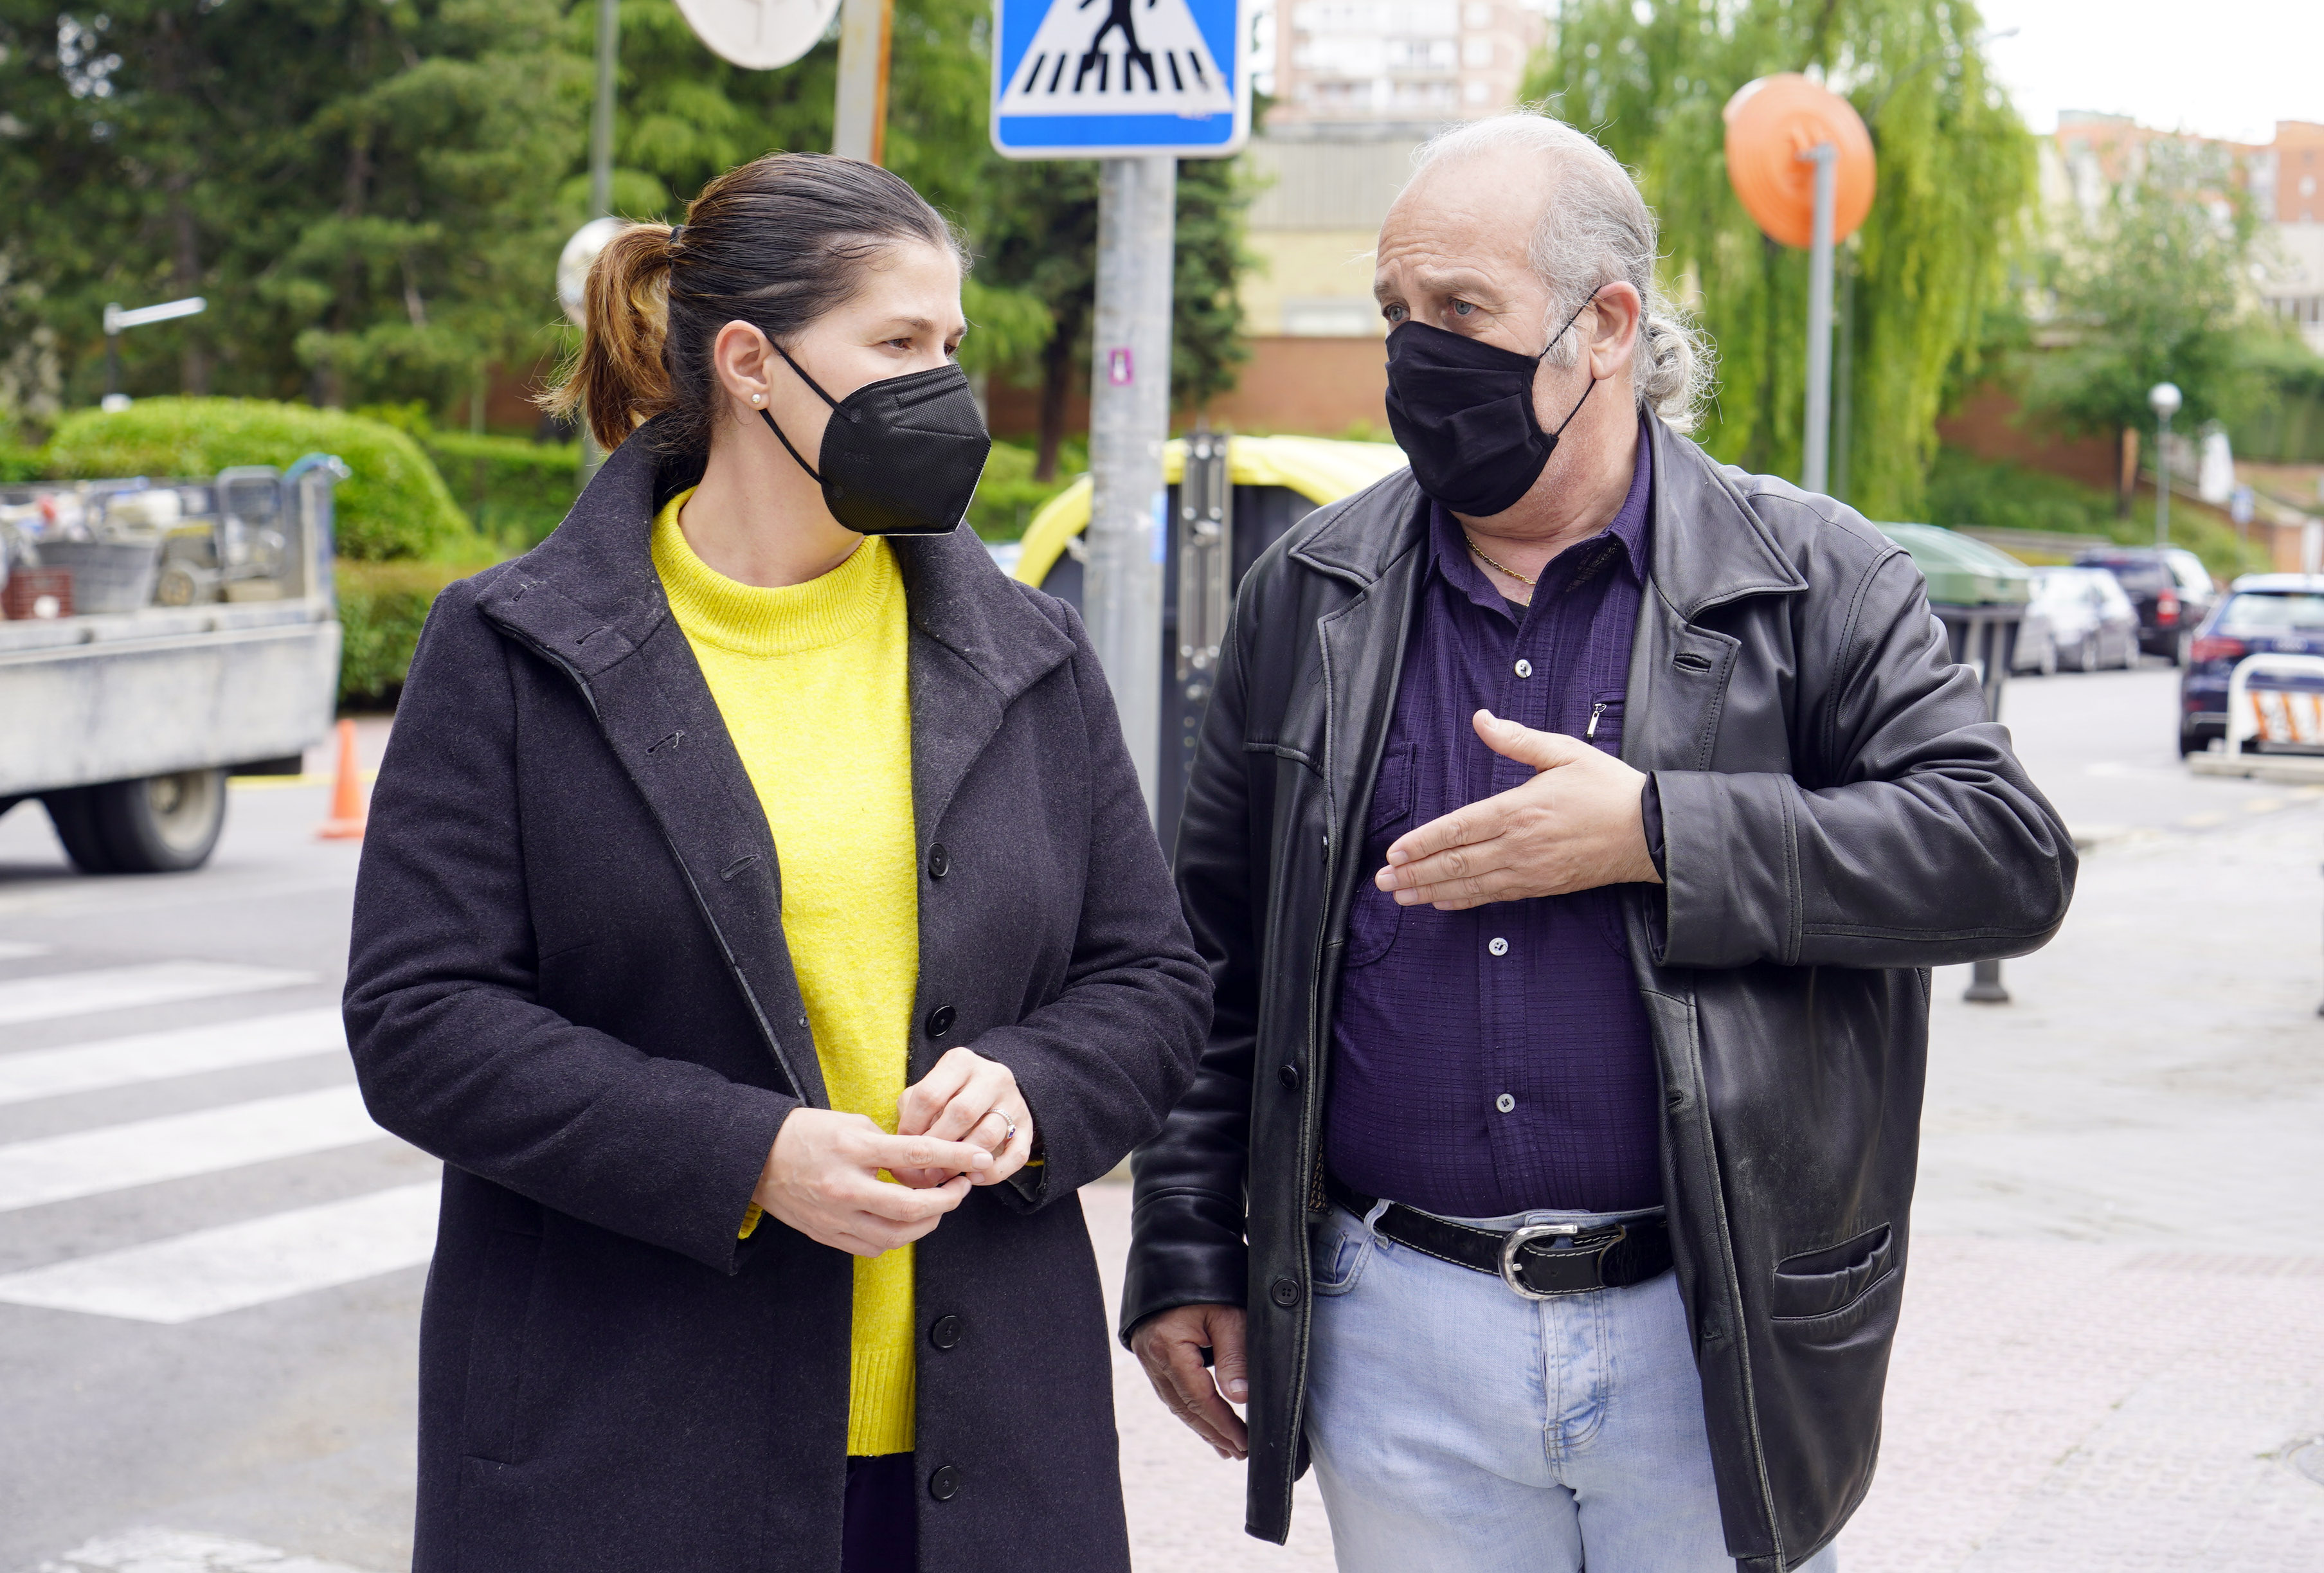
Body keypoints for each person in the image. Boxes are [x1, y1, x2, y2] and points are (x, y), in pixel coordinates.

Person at [1122, 113, 2076, 1573]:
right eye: (1394, 310)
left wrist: (1654, 832)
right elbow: (1215, 958)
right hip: (1396, 1337)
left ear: (1607, 326)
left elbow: (2003, 857)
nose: (1415, 353)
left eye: (1461, 310)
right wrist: (1186, 1245)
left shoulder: (1816, 577)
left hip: (1709, 1333)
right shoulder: (1306, 591)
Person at [343, 152, 1211, 1573]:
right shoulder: (508, 647)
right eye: (898, 344)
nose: (945, 387)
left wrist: (1034, 1085)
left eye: (950, 347)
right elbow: (421, 1022)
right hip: (629, 1453)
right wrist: (747, 1156)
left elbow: (1152, 981)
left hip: (984, 1461)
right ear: (749, 364)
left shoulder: (1028, 649)